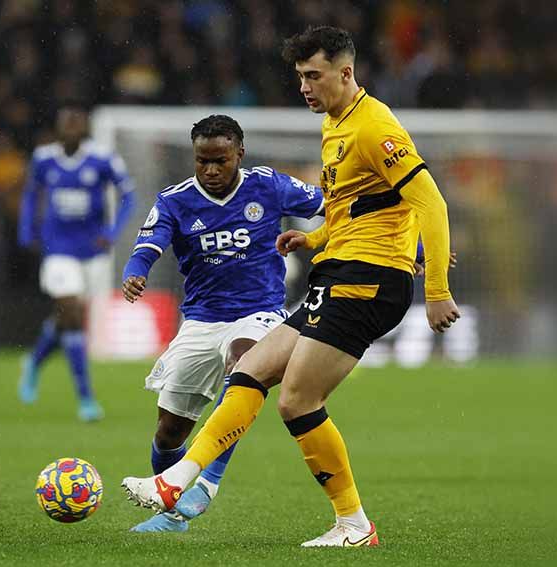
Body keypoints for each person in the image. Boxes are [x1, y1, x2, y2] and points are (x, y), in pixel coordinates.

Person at [122, 26, 460, 547]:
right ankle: (175, 483)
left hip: (367, 281)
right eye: (299, 77)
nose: (303, 87)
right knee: (252, 370)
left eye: (313, 76)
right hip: (340, 270)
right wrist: (314, 238)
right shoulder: (334, 124)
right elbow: (361, 208)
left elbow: (428, 203)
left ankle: (353, 525)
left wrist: (435, 286)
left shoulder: (374, 127)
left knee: (297, 400)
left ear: (345, 73)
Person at [121, 114, 324, 532]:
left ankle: (207, 484)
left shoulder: (269, 185)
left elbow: (335, 207)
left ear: (239, 154)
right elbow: (148, 244)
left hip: (260, 312)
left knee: (243, 365)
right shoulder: (175, 200)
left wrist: (408, 243)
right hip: (200, 320)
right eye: (202, 162)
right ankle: (173, 515)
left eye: (221, 161)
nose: (211, 171)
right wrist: (136, 271)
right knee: (168, 432)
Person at [17, 100, 137, 422]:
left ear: (84, 127)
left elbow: (130, 196)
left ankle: (35, 361)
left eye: (76, 122)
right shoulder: (43, 159)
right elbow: (30, 195)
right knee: (68, 310)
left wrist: (112, 232)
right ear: (58, 127)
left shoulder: (102, 158)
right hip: (58, 249)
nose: (71, 127)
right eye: (65, 121)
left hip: (93, 252)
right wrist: (26, 231)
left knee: (68, 320)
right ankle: (86, 399)